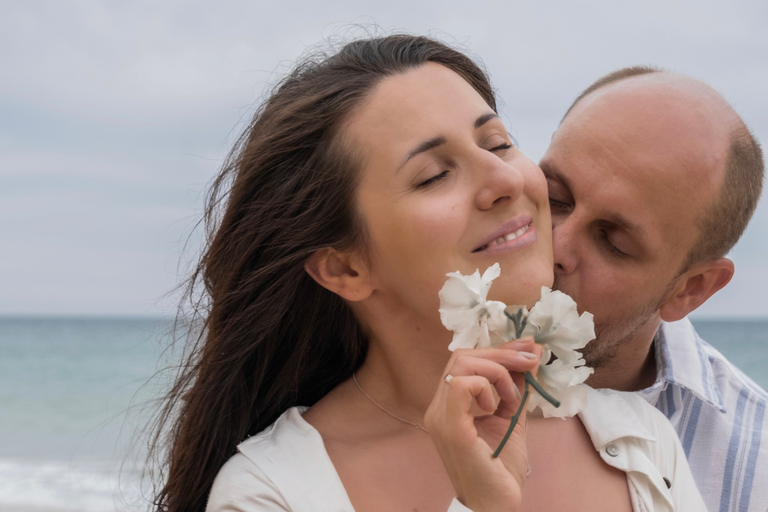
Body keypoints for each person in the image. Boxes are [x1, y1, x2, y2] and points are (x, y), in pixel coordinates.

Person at [149, 36, 705, 512]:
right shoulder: (273, 491)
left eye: (498, 143)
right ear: (344, 266)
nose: (503, 179)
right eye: (434, 176)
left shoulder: (638, 440)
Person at [540, 67, 767, 512]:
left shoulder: (758, 471)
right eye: (553, 198)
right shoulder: (391, 352)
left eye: (613, 241)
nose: (555, 246)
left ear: (691, 290)